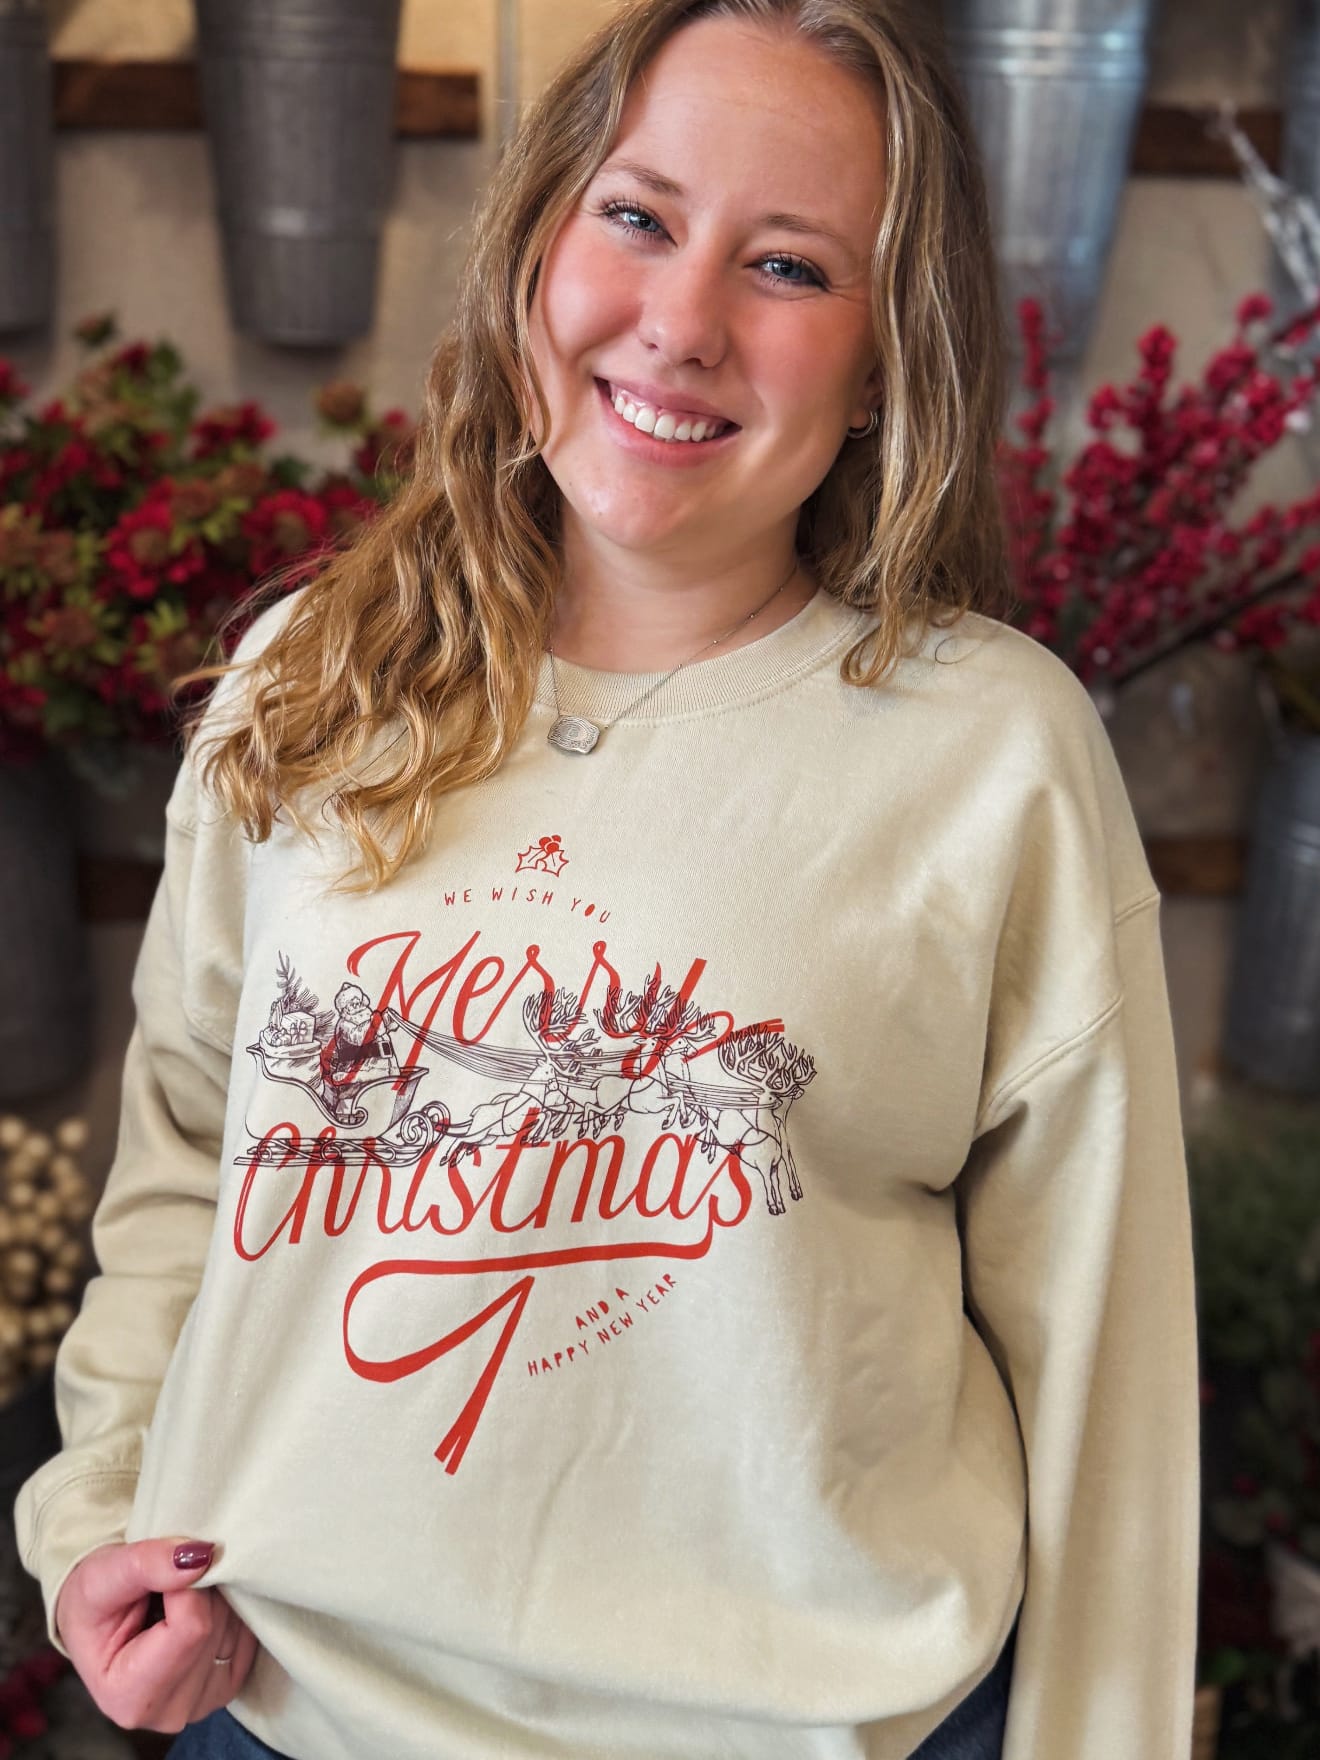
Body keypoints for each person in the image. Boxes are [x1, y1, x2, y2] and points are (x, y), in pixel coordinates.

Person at [15, 0, 1201, 1755]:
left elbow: (1105, 1363)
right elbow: (189, 1151)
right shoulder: (307, 682)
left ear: (887, 360)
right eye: (637, 217)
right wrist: (98, 1518)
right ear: (536, 246)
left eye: (790, 266)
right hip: (291, 1715)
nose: (683, 322)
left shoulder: (993, 755)